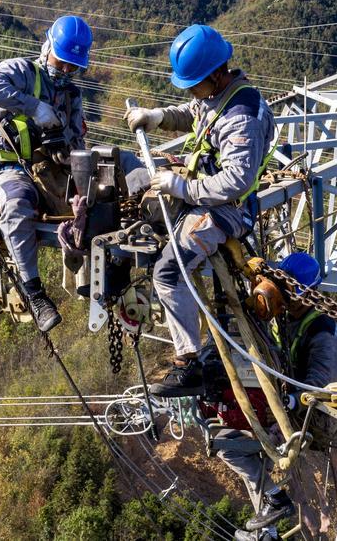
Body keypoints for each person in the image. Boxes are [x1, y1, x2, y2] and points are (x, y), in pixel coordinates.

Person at [124, 24, 275, 396]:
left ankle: (187, 361)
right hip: (202, 192)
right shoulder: (217, 95)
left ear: (216, 73)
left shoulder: (242, 116)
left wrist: (183, 188)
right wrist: (158, 116)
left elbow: (236, 181)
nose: (191, 92)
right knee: (130, 185)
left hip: (227, 209)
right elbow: (195, 113)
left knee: (170, 271)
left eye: (194, 84)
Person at [215, 252, 337, 539]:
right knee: (245, 445)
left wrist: (291, 402)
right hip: (286, 407)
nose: (284, 298)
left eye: (290, 292)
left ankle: (274, 505)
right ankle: (268, 528)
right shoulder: (286, 314)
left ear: (308, 293)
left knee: (230, 447)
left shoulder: (323, 327)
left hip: (309, 415)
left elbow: (321, 379)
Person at [0, 15, 92, 332]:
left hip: (51, 171)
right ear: (49, 47)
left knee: (95, 209)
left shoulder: (71, 96)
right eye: (63, 62)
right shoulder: (24, 72)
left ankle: (99, 282)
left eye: (73, 67)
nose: (67, 71)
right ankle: (35, 293)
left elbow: (77, 140)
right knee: (17, 205)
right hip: (12, 169)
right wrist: (33, 107)